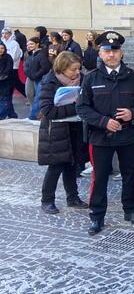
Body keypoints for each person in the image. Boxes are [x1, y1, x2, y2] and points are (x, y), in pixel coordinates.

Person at [76, 31, 134, 235]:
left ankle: (131, 210)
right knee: (99, 177)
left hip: (128, 135)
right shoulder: (90, 78)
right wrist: (104, 121)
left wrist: (132, 113)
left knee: (129, 175)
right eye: (107, 51)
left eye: (115, 50)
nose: (111, 54)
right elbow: (82, 108)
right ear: (100, 53)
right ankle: (97, 216)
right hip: (100, 137)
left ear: (121, 53)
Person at [38, 51, 88, 214]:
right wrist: (76, 107)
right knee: (56, 166)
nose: (76, 73)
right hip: (56, 132)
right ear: (62, 68)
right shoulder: (50, 81)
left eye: (78, 69)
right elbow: (47, 110)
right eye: (73, 69)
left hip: (74, 129)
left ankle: (72, 197)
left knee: (71, 165)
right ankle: (47, 200)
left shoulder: (80, 80)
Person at [24, 37, 51, 120]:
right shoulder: (29, 54)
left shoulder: (42, 54)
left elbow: (45, 68)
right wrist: (28, 74)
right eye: (28, 44)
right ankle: (34, 112)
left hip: (40, 78)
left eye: (31, 44)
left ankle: (34, 115)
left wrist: (36, 75)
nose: (29, 46)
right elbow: (26, 66)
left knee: (38, 96)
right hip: (31, 77)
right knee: (29, 94)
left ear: (37, 44)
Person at [1, 28, 24, 100]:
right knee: (13, 83)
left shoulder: (14, 44)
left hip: (12, 67)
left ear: (10, 34)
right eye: (3, 33)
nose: (4, 35)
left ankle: (29, 96)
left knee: (16, 83)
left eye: (6, 33)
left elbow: (13, 56)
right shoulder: (3, 43)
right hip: (3, 67)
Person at [0, 43, 14, 120]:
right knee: (6, 99)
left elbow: (8, 69)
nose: (0, 50)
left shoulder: (8, 57)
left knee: (4, 98)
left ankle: (1, 115)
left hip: (6, 81)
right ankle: (12, 114)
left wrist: (2, 76)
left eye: (2, 48)